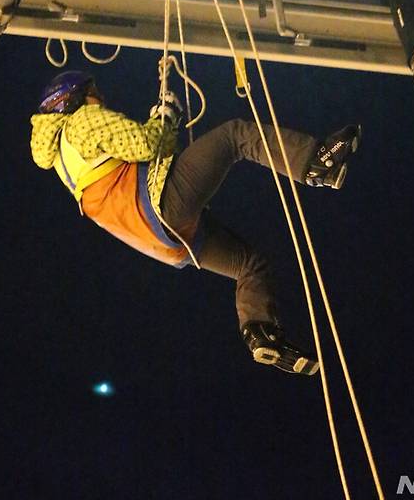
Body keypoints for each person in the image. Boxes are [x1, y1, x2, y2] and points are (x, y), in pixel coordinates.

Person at [30, 69, 361, 376]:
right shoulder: (81, 122)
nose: (100, 100)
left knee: (250, 265)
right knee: (235, 136)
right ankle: (316, 163)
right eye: (93, 93)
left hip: (165, 241)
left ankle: (262, 333)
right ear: (71, 101)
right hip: (163, 206)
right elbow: (148, 144)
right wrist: (165, 118)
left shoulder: (62, 161)